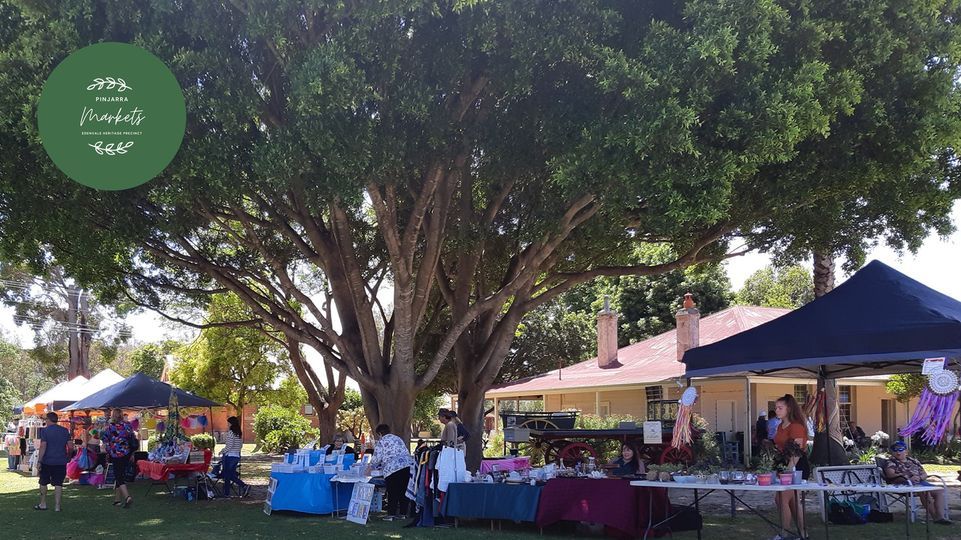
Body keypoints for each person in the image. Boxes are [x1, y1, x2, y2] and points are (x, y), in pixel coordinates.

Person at [883, 441, 951, 524]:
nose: (898, 452)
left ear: (906, 451)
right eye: (895, 450)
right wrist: (908, 477)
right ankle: (936, 518)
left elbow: (924, 474)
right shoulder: (891, 462)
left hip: (920, 482)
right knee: (924, 491)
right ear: (892, 452)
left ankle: (941, 517)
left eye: (901, 450)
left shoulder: (913, 461)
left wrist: (919, 477)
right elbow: (890, 474)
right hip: (904, 484)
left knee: (939, 491)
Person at [772, 394, 810, 540]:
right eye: (776, 408)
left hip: (796, 466)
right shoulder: (781, 426)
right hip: (783, 465)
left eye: (780, 408)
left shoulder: (796, 426)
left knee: (781, 498)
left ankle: (784, 534)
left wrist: (788, 469)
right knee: (792, 500)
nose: (777, 410)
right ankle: (803, 533)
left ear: (789, 409)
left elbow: (797, 451)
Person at [366, 424, 414, 521]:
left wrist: (370, 467)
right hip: (406, 465)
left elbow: (376, 458)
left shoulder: (382, 441)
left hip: (392, 469)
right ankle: (403, 513)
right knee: (403, 490)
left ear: (380, 433)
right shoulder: (398, 439)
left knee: (393, 492)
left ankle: (391, 514)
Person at [35, 412, 72, 511]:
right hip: (61, 461)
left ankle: (43, 503)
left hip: (47, 461)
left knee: (43, 482)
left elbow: (43, 446)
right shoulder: (65, 431)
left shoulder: (45, 431)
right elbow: (70, 446)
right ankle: (57, 506)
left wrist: (39, 460)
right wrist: (68, 456)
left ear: (48, 420)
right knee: (58, 483)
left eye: (45, 419)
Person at [101, 408, 135, 508]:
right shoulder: (128, 426)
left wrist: (108, 449)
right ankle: (117, 500)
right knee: (120, 474)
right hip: (126, 452)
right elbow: (132, 438)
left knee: (118, 476)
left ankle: (127, 497)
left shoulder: (110, 427)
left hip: (115, 453)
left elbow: (104, 439)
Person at [220, 416, 251, 498]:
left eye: (228, 423)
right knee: (230, 474)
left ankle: (242, 486)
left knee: (227, 475)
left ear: (231, 423)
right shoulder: (239, 433)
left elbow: (229, 445)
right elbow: (240, 445)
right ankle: (227, 493)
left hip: (229, 455)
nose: (227, 425)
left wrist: (222, 451)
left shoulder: (231, 433)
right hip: (236, 455)